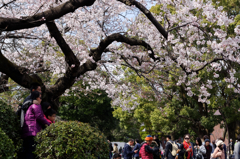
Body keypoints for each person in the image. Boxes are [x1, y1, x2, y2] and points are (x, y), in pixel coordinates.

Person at [21, 91, 50, 159]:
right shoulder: (36, 105)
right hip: (32, 131)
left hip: (28, 131)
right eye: (40, 97)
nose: (41, 99)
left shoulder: (30, 106)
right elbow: (39, 117)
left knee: (27, 151)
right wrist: (49, 124)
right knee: (31, 152)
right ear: (36, 98)